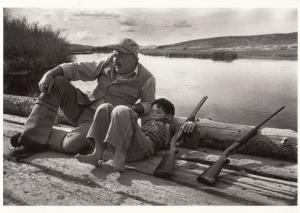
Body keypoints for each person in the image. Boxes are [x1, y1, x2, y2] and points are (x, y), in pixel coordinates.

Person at [10, 38, 157, 157]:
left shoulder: (147, 78)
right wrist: (49, 74)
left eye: (121, 55)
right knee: (57, 82)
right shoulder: (107, 62)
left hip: (100, 122)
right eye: (115, 53)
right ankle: (31, 140)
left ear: (134, 57)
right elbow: (76, 68)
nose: (115, 58)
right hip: (82, 107)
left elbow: (148, 104)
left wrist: (135, 108)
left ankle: (31, 136)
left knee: (70, 146)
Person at [75, 98, 196, 172]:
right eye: (152, 111)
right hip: (121, 145)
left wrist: (191, 123)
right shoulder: (143, 120)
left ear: (169, 117)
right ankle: (97, 153)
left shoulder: (170, 127)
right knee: (104, 107)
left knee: (121, 109)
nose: (153, 114)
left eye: (158, 112)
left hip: (143, 148)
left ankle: (118, 159)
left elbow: (190, 140)